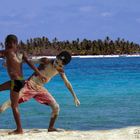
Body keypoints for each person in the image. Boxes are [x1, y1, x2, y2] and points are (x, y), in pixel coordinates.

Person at [0, 51, 80, 132]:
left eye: (60, 65)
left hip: (40, 89)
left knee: (56, 107)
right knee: (8, 103)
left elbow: (67, 83)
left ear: (63, 66)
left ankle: (51, 128)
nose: (57, 65)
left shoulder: (60, 70)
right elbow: (28, 61)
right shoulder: (46, 61)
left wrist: (75, 97)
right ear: (56, 57)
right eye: (56, 62)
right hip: (29, 85)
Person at [0, 34, 46, 134]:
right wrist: (40, 74)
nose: (5, 45)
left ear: (11, 43)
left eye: (6, 43)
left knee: (14, 105)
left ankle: (19, 129)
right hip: (20, 81)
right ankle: (19, 129)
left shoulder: (7, 52)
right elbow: (30, 64)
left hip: (16, 82)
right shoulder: (21, 53)